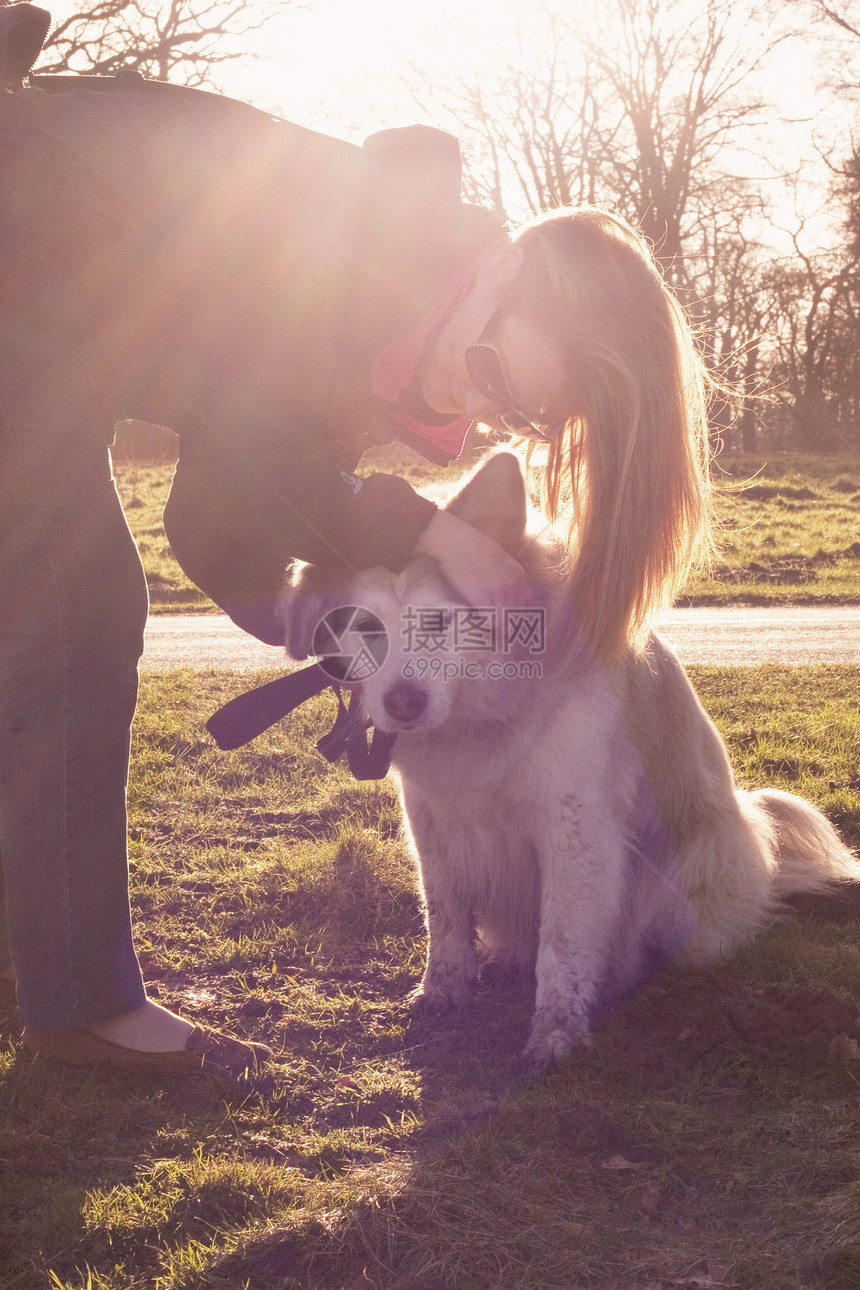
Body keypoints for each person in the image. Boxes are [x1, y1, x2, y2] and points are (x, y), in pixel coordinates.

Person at [0, 14, 711, 1075]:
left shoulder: (378, 348)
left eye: (513, 416)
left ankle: (46, 978)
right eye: (502, 378)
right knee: (76, 608)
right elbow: (258, 470)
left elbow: (214, 515)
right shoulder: (368, 247)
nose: (479, 413)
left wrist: (320, 629)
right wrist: (421, 526)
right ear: (503, 277)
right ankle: (79, 1009)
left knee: (61, 610)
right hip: (29, 224)